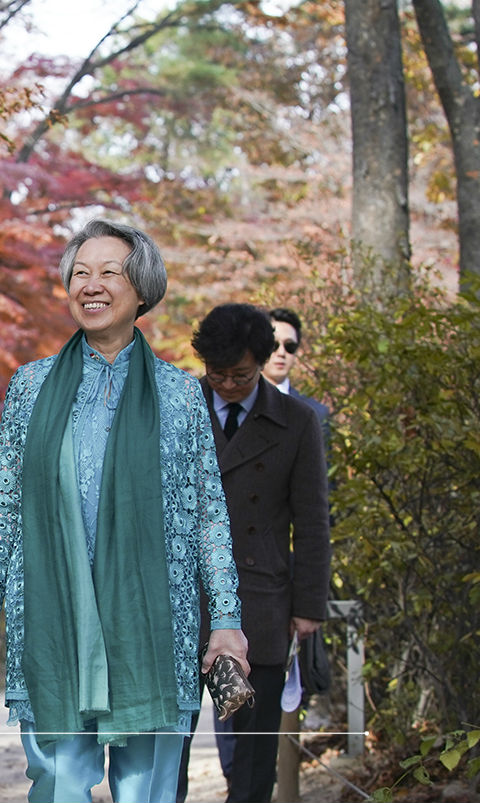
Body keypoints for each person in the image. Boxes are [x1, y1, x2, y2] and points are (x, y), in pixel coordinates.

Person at [0, 220, 248, 803]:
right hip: (52, 615)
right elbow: (3, 504)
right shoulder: (31, 386)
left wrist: (225, 619)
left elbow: (208, 517)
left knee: (147, 787)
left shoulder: (178, 394)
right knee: (59, 782)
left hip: (151, 621)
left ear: (142, 289)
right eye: (79, 273)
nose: (89, 285)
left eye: (108, 272)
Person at [190, 303, 331, 803]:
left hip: (260, 604)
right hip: (181, 603)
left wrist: (309, 607)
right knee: (167, 747)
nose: (227, 385)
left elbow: (312, 519)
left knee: (252, 757)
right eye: (217, 374)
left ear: (264, 360)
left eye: (241, 376)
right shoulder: (180, 408)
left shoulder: (296, 421)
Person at [262, 307, 330, 439]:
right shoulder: (231, 406)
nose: (281, 353)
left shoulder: (316, 413)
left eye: (289, 347)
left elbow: (323, 459)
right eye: (273, 345)